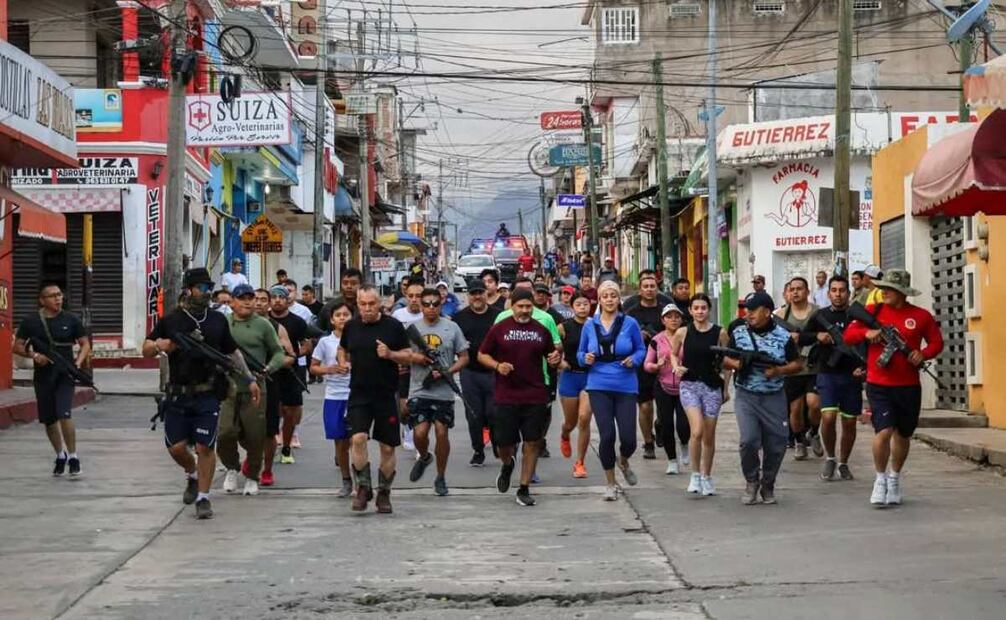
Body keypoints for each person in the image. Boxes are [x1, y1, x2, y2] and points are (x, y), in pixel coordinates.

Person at [142, 268, 260, 519]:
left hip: (208, 393)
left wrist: (248, 378)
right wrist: (159, 345)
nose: (207, 293)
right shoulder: (172, 320)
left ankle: (204, 498)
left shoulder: (217, 320)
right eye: (202, 288)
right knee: (177, 448)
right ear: (189, 289)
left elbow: (232, 353)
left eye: (209, 288)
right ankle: (192, 473)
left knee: (205, 447)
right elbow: (146, 348)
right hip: (178, 394)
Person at [844, 269, 943, 507]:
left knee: (903, 434)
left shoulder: (921, 316)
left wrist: (923, 354)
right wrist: (869, 333)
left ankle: (894, 477)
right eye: (883, 288)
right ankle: (880, 479)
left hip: (908, 385)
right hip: (879, 383)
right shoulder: (873, 311)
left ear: (901, 292)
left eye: (888, 289)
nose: (883, 292)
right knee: (884, 431)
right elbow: (849, 334)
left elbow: (937, 342)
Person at [478, 288, 562, 507]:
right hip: (506, 394)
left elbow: (553, 356)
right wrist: (498, 365)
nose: (525, 311)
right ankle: (507, 464)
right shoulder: (500, 329)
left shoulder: (541, 329)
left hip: (535, 393)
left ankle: (524, 487)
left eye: (528, 306)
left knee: (532, 441)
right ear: (512, 306)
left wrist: (554, 359)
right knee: (504, 444)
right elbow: (482, 354)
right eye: (520, 306)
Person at [722, 291, 803, 506]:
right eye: (746, 310)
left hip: (774, 396)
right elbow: (725, 359)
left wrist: (779, 371)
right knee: (748, 441)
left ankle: (768, 483)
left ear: (767, 312)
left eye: (753, 310)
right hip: (746, 395)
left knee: (776, 444)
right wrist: (740, 364)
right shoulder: (739, 333)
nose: (748, 314)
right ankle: (751, 480)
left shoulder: (783, 336)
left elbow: (797, 364)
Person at [338, 285, 413, 513]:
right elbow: (342, 349)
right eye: (363, 304)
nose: (367, 309)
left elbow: (409, 356)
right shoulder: (351, 326)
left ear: (379, 303)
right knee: (358, 439)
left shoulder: (393, 326)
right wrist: (342, 361)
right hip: (359, 393)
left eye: (372, 304)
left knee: (387, 448)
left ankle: (384, 492)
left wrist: (390, 354)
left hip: (386, 394)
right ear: (358, 304)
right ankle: (363, 487)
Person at [578, 281, 646, 501]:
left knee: (629, 439)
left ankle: (623, 460)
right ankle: (610, 483)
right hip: (598, 384)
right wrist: (584, 358)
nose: (609, 299)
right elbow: (580, 353)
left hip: (625, 384)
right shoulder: (590, 325)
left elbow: (641, 349)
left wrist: (634, 360)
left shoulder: (630, 323)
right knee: (607, 435)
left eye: (613, 296)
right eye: (605, 296)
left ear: (619, 299)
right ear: (599, 300)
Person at [13, 284, 90, 477]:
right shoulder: (31, 321)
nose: (58, 299)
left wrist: (78, 363)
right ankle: (60, 455)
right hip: (43, 375)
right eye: (53, 296)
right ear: (42, 300)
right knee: (49, 419)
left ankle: (73, 457)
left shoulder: (71, 319)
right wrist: (34, 355)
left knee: (64, 414)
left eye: (60, 295)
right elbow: (17, 346)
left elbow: (85, 343)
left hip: (65, 373)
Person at [218, 284, 286, 497]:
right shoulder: (223, 324)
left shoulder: (263, 325)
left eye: (250, 297)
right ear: (232, 301)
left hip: (257, 389)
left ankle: (252, 476)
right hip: (227, 388)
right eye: (242, 298)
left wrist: (268, 369)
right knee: (225, 433)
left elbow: (278, 353)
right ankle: (231, 467)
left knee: (256, 436)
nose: (248, 301)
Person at [800, 275, 865, 482]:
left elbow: (868, 343)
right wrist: (817, 337)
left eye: (842, 290)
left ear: (848, 292)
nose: (838, 294)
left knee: (849, 422)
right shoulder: (821, 316)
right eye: (834, 290)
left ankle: (843, 463)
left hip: (851, 375)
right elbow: (801, 336)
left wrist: (863, 367)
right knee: (827, 417)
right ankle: (830, 457)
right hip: (827, 373)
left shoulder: (857, 316)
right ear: (828, 293)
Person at [405, 288, 469, 496]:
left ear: (441, 305)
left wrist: (446, 372)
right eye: (426, 304)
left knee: (442, 433)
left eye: (435, 304)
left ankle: (441, 477)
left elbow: (464, 357)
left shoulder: (452, 327)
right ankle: (424, 456)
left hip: (443, 391)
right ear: (420, 306)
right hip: (419, 388)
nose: (431, 308)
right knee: (420, 432)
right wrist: (417, 359)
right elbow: (402, 354)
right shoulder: (412, 329)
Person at [670, 294, 730, 496]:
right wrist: (676, 366)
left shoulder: (720, 333)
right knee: (696, 431)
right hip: (689, 385)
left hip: (712, 386)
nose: (700, 312)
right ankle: (695, 474)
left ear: (708, 309)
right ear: (690, 310)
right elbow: (673, 352)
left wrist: (726, 388)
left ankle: (707, 476)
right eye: (696, 308)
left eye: (703, 308)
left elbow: (727, 362)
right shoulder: (683, 332)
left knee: (709, 435)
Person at [454, 281, 502, 466]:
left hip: (493, 371)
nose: (477, 297)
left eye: (480, 293)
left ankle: (497, 442)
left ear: (486, 294)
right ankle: (478, 450)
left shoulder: (497, 316)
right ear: (468, 296)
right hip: (470, 372)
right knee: (474, 414)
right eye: (473, 293)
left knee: (493, 412)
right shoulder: (460, 318)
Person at [310, 301, 354, 498]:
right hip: (334, 396)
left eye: (346, 314)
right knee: (340, 442)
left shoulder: (358, 338)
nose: (342, 318)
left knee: (357, 440)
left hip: (355, 395)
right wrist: (330, 369)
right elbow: (313, 367)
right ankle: (346, 480)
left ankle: (361, 478)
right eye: (338, 315)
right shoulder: (325, 342)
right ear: (331, 319)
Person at [775, 277, 822, 461]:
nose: (795, 292)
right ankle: (800, 441)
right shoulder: (781, 315)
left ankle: (815, 432)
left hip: (814, 366)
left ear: (807, 291)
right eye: (792, 289)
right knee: (795, 410)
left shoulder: (817, 313)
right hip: (792, 368)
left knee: (814, 404)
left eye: (799, 289)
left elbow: (825, 335)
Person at [253, 287, 295, 487]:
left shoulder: (277, 327)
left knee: (269, 431)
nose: (259, 302)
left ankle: (267, 470)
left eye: (263, 299)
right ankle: (244, 464)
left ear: (268, 304)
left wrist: (270, 367)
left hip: (270, 384)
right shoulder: (234, 324)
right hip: (243, 384)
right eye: (255, 299)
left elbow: (290, 356)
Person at [644, 304, 691, 474]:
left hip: (685, 386)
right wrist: (656, 365)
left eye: (676, 316)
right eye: (669, 317)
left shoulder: (688, 336)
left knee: (684, 425)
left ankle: (685, 444)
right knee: (666, 424)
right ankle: (672, 460)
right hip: (663, 386)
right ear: (663, 320)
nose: (673, 320)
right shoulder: (657, 340)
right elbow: (646, 364)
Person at [269, 285, 310, 464]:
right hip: (269, 371)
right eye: (274, 297)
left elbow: (307, 345)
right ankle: (269, 446)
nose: (277, 300)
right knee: (272, 410)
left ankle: (286, 445)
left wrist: (292, 357)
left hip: (291, 372)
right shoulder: (264, 321)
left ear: (288, 300)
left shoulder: (298, 322)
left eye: (281, 297)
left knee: (290, 411)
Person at [627, 272, 663, 459]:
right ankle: (648, 442)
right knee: (645, 406)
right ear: (640, 290)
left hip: (664, 363)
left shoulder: (666, 309)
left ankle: (660, 425)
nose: (649, 289)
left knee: (666, 407)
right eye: (646, 286)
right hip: (641, 364)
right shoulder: (631, 313)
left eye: (652, 286)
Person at [557, 293, 593, 478]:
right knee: (570, 422)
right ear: (572, 307)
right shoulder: (564, 327)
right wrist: (559, 363)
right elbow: (551, 350)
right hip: (570, 376)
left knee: (584, 418)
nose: (582, 307)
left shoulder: (596, 325)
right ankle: (564, 434)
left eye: (585, 304)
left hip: (590, 377)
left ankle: (580, 463)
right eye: (578, 304)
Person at [392, 278, 425, 452]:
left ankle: (419, 441)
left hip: (422, 367)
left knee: (419, 403)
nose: (414, 299)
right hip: (403, 366)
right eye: (410, 295)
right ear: (405, 296)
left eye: (418, 295)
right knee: (403, 406)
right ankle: (407, 427)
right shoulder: (398, 316)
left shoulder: (428, 314)